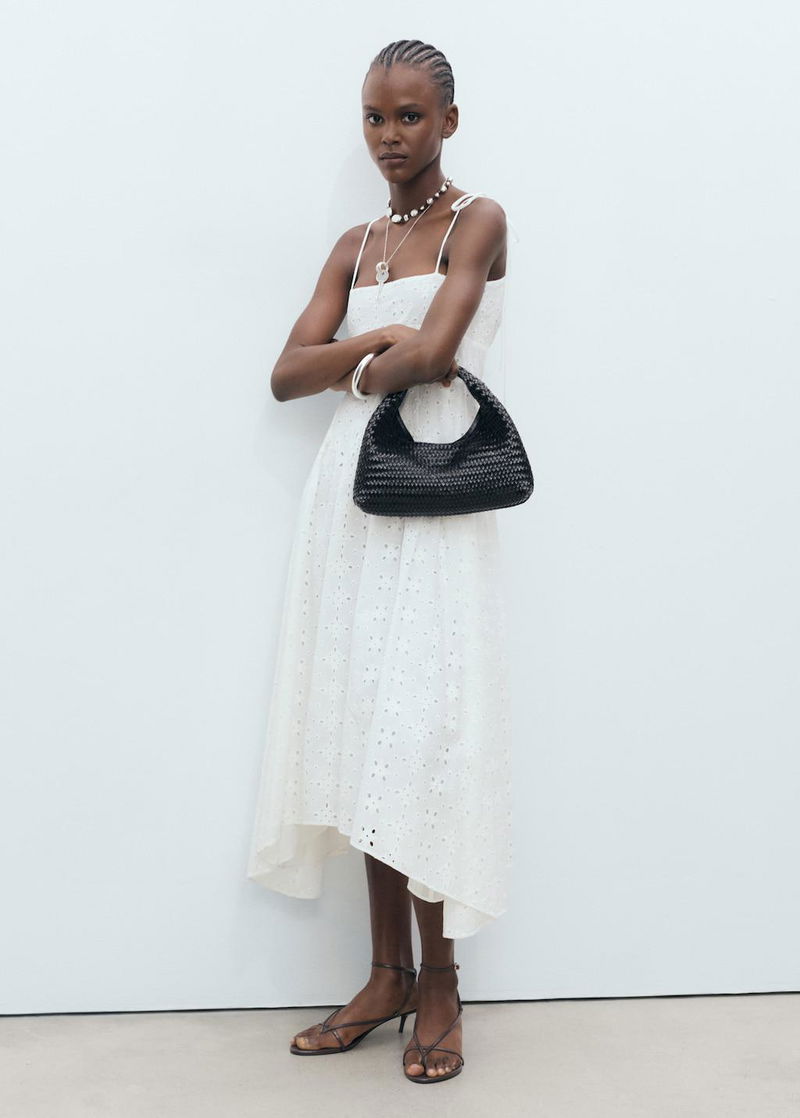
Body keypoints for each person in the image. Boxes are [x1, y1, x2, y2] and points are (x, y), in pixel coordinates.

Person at [246, 38, 513, 1084]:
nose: (389, 136)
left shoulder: (478, 220)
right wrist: (367, 351)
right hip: (347, 503)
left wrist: (345, 363)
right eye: (373, 116)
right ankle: (385, 974)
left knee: (426, 729)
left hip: (435, 489)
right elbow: (283, 374)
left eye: (408, 116)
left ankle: (440, 981)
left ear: (448, 120)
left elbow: (437, 354)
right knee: (362, 724)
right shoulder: (353, 245)